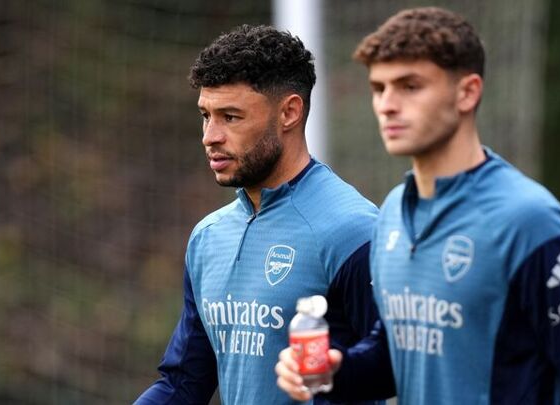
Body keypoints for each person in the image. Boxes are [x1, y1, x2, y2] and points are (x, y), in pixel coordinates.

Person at [276, 7, 560, 404]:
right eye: (379, 88)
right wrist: (334, 370)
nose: (387, 105)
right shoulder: (393, 212)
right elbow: (393, 354)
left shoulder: (531, 223)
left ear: (467, 92)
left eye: (410, 86)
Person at [135, 25, 384, 405]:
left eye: (231, 117)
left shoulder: (354, 231)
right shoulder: (208, 237)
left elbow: (394, 368)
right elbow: (183, 384)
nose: (210, 136)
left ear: (289, 112)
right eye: (206, 115)